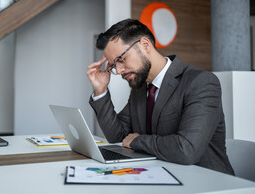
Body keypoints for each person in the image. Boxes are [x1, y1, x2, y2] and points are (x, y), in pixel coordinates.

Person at [87, 18, 234, 175]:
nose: (120, 70)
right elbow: (119, 136)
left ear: (145, 45)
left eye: (121, 59)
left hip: (208, 181)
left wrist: (137, 140)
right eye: (114, 66)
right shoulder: (140, 88)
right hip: (161, 174)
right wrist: (101, 90)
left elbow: (186, 149)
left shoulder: (201, 82)